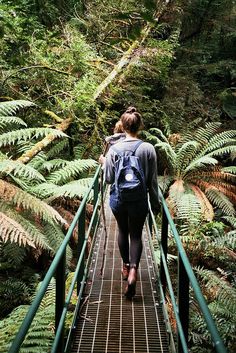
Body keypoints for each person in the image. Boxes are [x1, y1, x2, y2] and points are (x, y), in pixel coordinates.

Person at [100, 107, 160, 299]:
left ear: (123, 127)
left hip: (118, 199)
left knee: (122, 231)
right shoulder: (148, 149)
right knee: (136, 235)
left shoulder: (113, 149)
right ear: (139, 126)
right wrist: (155, 202)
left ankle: (125, 266)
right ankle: (134, 270)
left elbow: (109, 179)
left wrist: (104, 162)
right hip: (140, 200)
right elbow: (152, 181)